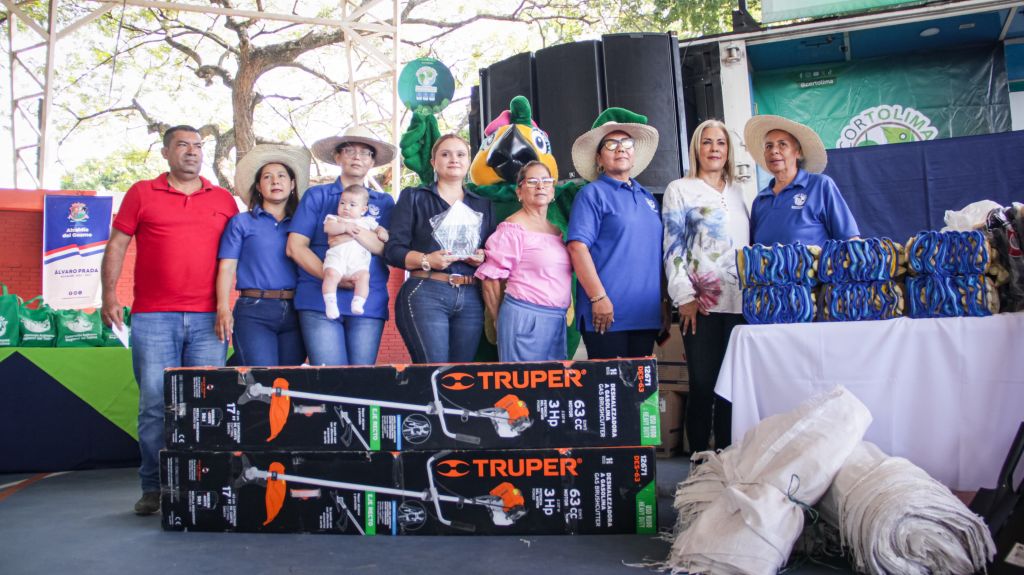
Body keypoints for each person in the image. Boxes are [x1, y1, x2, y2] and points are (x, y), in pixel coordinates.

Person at [101, 125, 238, 515]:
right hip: (152, 317)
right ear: (165, 153)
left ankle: (204, 484)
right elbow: (118, 244)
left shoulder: (224, 199)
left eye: (198, 146)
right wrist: (110, 294)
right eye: (183, 145)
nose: (192, 152)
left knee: (207, 404)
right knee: (154, 405)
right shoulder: (142, 193)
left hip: (209, 320)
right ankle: (154, 486)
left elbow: (236, 254)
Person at [662, 119, 749, 453]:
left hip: (742, 304)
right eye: (707, 142)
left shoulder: (739, 192)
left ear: (728, 150)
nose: (714, 149)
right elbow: (673, 247)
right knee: (702, 383)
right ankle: (699, 457)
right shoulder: (680, 189)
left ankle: (728, 455)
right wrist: (684, 296)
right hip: (701, 304)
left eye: (721, 143)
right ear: (696, 148)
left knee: (732, 388)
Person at [286, 126, 395, 365]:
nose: (357, 157)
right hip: (319, 297)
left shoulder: (384, 202)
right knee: (329, 381)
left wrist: (352, 230)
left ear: (372, 162)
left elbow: (388, 250)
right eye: (349, 150)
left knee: (362, 383)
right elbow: (295, 247)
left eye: (365, 153)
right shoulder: (317, 196)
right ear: (337, 157)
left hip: (368, 299)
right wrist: (330, 275)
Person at [385, 134, 495, 363]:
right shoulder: (414, 197)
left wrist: (483, 257)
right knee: (432, 371)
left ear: (469, 161)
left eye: (460, 154)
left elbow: (492, 250)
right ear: (434, 162)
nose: (453, 159)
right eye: (445, 154)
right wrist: (427, 259)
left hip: (471, 295)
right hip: (427, 289)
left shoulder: (482, 203)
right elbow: (393, 250)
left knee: (460, 376)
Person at [566, 108, 665, 359]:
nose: (620, 148)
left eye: (626, 143)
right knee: (609, 397)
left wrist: (663, 304)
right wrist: (598, 298)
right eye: (611, 144)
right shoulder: (591, 194)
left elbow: (657, 255)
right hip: (606, 315)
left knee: (640, 397)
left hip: (645, 316)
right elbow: (577, 248)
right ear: (599, 158)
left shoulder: (648, 199)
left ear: (634, 155)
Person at [215, 144, 309, 367]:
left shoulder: (304, 223)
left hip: (297, 310)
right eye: (267, 177)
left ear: (292, 184)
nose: (275, 181)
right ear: (258, 186)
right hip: (254, 309)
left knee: (287, 384)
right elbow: (227, 268)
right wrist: (222, 307)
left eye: (281, 176)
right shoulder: (242, 222)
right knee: (261, 381)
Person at [475, 161, 572, 362]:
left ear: (553, 191)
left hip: (556, 319)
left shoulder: (556, 231)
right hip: (524, 317)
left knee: (552, 391)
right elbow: (490, 279)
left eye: (546, 181)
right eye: (532, 181)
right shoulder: (512, 229)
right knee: (524, 390)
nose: (540, 186)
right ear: (519, 192)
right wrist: (498, 321)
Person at [743, 115, 860, 246]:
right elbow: (752, 250)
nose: (774, 151)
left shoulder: (820, 186)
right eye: (769, 146)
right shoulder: (760, 201)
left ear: (798, 152)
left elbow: (850, 240)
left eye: (782, 144)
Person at [321, 184, 389, 318]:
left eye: (352, 205)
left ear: (363, 209)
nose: (346, 207)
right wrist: (345, 227)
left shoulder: (368, 221)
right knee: (331, 275)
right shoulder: (335, 218)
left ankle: (358, 302)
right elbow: (328, 228)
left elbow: (380, 230)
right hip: (337, 258)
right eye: (342, 203)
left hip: (358, 262)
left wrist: (383, 233)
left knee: (364, 277)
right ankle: (330, 303)